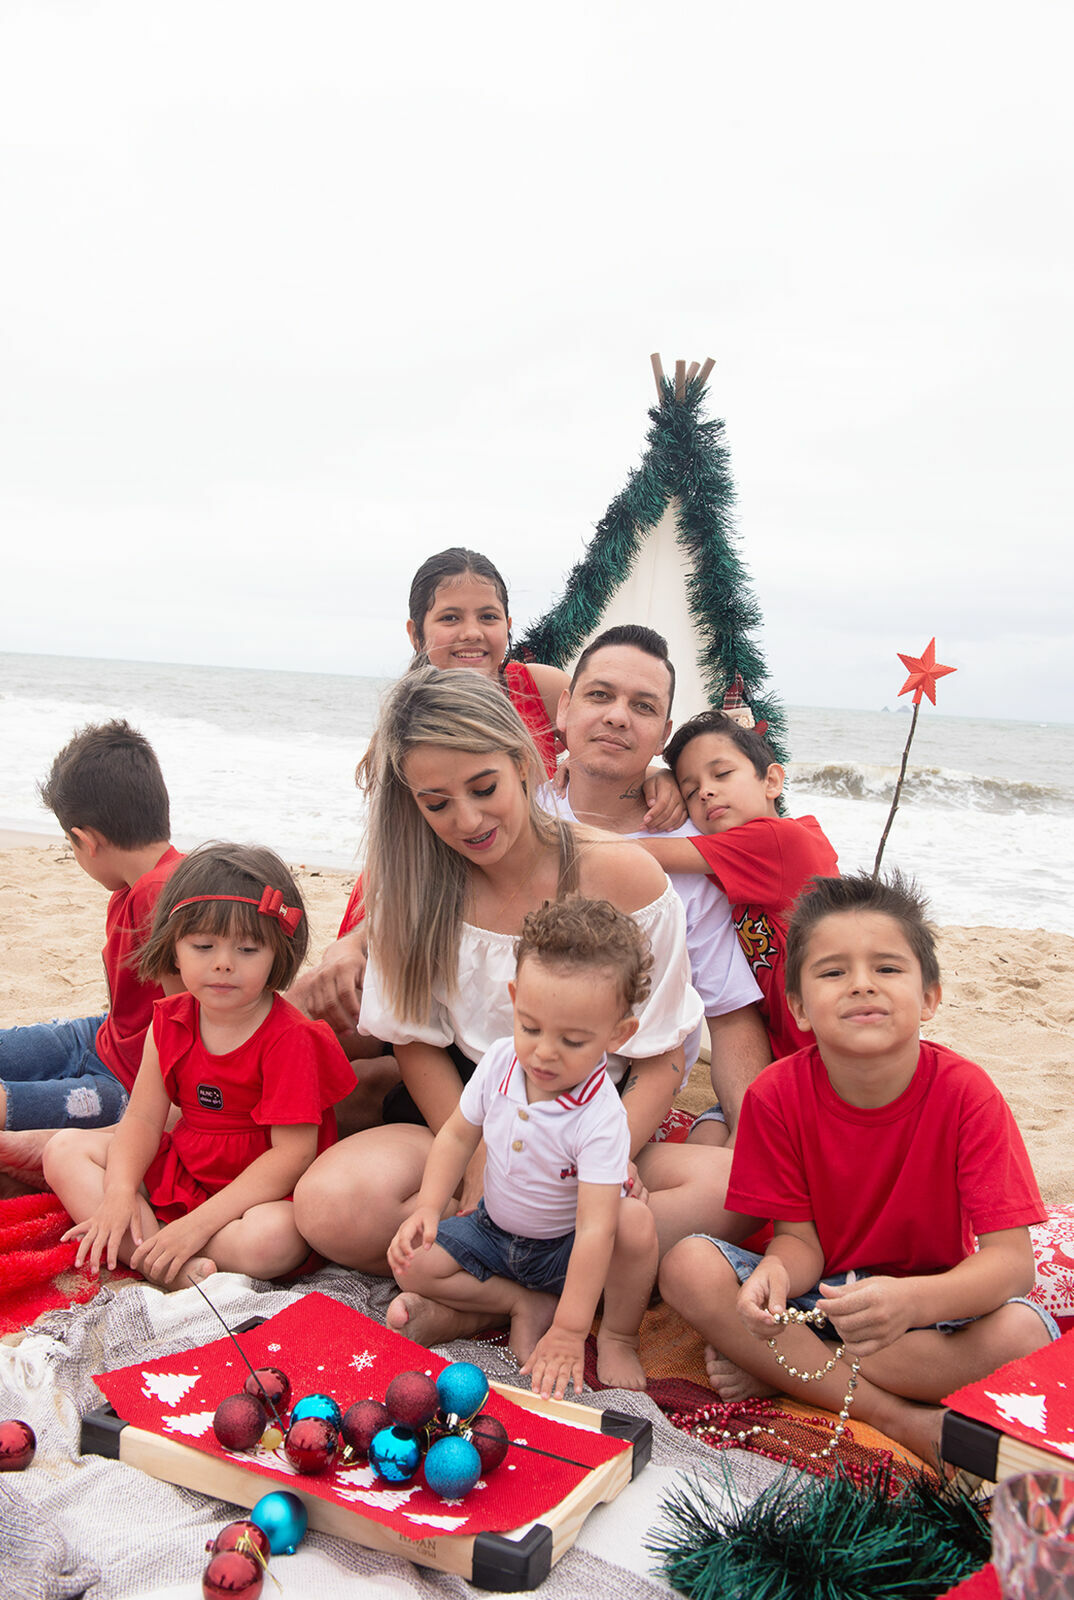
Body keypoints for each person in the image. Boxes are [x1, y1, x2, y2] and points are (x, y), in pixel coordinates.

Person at [293, 667, 706, 1340]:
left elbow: (660, 1058)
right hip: (468, 1105)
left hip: (596, 1119)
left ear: (523, 761)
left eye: (483, 788)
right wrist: (476, 1157)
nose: (469, 820)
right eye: (437, 803)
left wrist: (590, 1160)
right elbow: (417, 1042)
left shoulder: (624, 875)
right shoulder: (412, 885)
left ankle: (478, 1295)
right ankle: (522, 1300)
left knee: (725, 1198)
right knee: (329, 1207)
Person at [658, 871, 1057, 1464]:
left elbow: (1010, 1264)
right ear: (798, 1005)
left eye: (888, 969)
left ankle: (796, 1373)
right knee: (688, 1266)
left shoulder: (967, 1095)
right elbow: (801, 1245)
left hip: (931, 1307)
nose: (862, 986)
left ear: (929, 997)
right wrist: (773, 1273)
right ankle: (891, 1412)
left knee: (1024, 1335)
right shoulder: (775, 1095)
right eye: (833, 971)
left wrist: (915, 1303)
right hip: (825, 1302)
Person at [44, 844, 354, 1289]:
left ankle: (157, 1251)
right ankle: (166, 1258)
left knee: (275, 1239)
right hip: (186, 1165)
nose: (224, 963)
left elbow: (292, 1155)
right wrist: (118, 1193)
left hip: (255, 1193)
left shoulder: (290, 1037)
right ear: (173, 947)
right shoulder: (169, 1020)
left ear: (278, 954)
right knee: (65, 1151)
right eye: (204, 945)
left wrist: (199, 1225)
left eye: (248, 949)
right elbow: (146, 1118)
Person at [388, 897, 658, 1397]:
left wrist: (571, 1332)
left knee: (635, 1222)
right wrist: (427, 1207)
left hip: (564, 1249)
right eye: (531, 1027)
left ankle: (617, 1333)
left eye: (574, 1040)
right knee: (410, 1264)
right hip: (494, 1230)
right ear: (515, 998)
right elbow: (456, 1134)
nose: (545, 1052)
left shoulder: (600, 1115)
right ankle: (520, 1303)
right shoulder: (499, 1062)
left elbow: (595, 1229)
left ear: (618, 1034)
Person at [542, 625, 770, 1148]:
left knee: (721, 1186)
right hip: (497, 1084)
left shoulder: (693, 855)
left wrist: (756, 1141)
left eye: (642, 707)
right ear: (566, 707)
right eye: (600, 695)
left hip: (631, 1113)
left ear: (664, 735)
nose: (618, 715)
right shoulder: (508, 811)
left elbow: (730, 1013)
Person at [0, 721, 183, 1189]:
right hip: (102, 1037)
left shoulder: (163, 897)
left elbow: (187, 1024)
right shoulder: (133, 886)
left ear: (87, 841)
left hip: (128, 1086)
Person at [637, 709, 839, 1121]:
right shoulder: (735, 856)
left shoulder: (779, 841)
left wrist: (546, 831)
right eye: (690, 792)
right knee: (711, 1137)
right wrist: (657, 777)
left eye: (722, 774)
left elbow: (639, 852)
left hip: (828, 1061)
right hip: (783, 1060)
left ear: (771, 781)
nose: (706, 793)